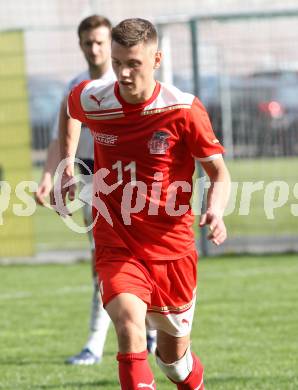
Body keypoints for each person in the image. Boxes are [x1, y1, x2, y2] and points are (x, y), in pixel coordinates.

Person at [54, 18, 231, 389]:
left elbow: (219, 173)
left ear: (156, 60)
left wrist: (215, 208)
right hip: (116, 240)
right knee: (129, 327)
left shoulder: (183, 110)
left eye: (133, 63)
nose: (123, 72)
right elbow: (69, 109)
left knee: (174, 364)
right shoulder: (96, 98)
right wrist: (66, 163)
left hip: (172, 251)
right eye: (118, 62)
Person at [35, 15, 114, 366]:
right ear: (80, 45)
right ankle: (95, 344)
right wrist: (48, 176)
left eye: (100, 41)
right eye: (88, 42)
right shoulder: (77, 85)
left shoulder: (126, 81)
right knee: (102, 263)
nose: (95, 49)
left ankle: (153, 333)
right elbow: (59, 137)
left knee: (140, 260)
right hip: (90, 178)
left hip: (130, 180)